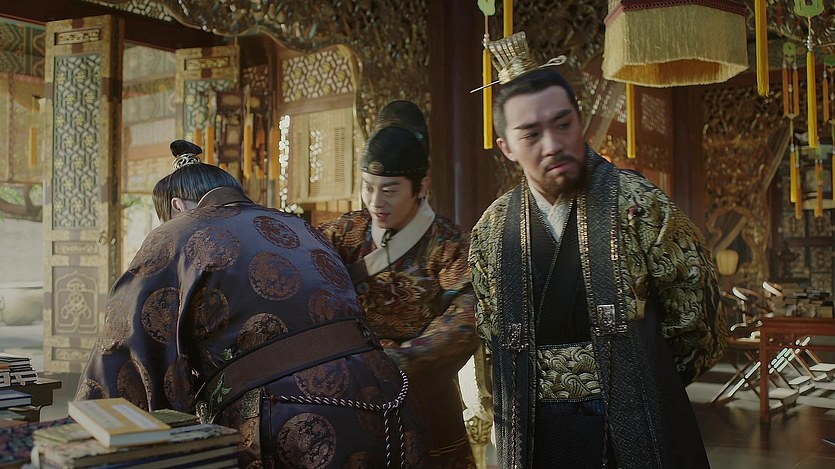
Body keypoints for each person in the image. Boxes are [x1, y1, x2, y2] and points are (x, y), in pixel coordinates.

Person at [76, 140, 428, 468]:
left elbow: (126, 344)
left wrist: (90, 430)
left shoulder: (176, 233)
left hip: (295, 417)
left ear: (177, 207)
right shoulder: (299, 227)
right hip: (393, 402)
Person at [468, 33, 726, 468]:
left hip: (636, 416)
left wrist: (648, 378)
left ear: (579, 120)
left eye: (562, 124)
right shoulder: (492, 229)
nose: (552, 145)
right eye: (530, 134)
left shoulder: (638, 204)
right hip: (533, 429)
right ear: (506, 147)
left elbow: (696, 317)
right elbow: (489, 335)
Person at [320, 101, 479, 468]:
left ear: (421, 186)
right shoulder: (345, 232)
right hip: (355, 392)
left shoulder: (448, 243)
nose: (376, 202)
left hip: (426, 396)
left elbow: (466, 318)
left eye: (390, 190)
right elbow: (304, 270)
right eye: (368, 188)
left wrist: (397, 359)